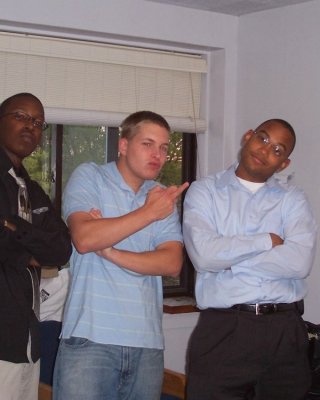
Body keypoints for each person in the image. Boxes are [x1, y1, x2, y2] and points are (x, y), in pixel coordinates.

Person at [53, 110, 189, 400]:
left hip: (147, 343)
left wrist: (111, 251)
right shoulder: (90, 176)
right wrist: (148, 213)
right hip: (90, 339)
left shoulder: (162, 195)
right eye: (148, 144)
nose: (158, 154)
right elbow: (85, 238)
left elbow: (171, 262)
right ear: (124, 145)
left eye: (164, 147)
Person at [183, 119, 318, 400]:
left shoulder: (292, 199)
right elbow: (204, 255)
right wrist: (265, 242)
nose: (266, 150)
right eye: (263, 139)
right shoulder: (204, 191)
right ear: (248, 137)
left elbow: (300, 262)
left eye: (278, 150)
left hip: (285, 331)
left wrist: (229, 259)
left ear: (283, 164)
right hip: (223, 330)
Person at [0, 92, 72, 400]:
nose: (30, 126)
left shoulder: (31, 190)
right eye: (20, 116)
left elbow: (61, 250)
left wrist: (15, 227)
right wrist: (30, 249)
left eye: (38, 122)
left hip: (26, 341)